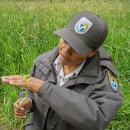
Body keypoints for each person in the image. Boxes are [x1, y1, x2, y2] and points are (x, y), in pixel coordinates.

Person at [1, 11, 123, 130]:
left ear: (92, 53)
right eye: (65, 40)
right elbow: (30, 89)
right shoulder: (44, 62)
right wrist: (28, 101)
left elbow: (97, 120)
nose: (65, 50)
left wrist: (45, 89)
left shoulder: (102, 78)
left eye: (76, 48)